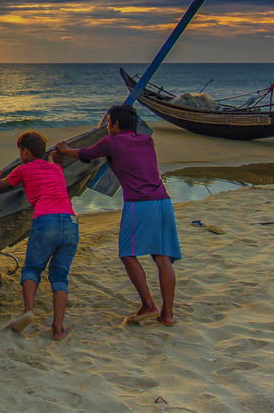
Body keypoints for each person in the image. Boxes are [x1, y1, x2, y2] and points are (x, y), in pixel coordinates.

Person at [53, 104, 180, 326]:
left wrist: (64, 150)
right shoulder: (146, 140)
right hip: (163, 201)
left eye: (109, 123)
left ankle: (149, 304)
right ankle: (167, 315)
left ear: (116, 125)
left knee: (127, 254)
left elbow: (86, 154)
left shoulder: (112, 142)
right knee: (162, 257)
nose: (108, 127)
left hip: (139, 204)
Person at [0, 131, 78, 339]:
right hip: (70, 222)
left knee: (32, 269)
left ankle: (28, 311)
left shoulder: (23, 169)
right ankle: (58, 327)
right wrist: (51, 157)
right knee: (60, 276)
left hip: (45, 221)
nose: (19, 155)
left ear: (25, 151)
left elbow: (2, 185)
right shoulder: (55, 168)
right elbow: (49, 161)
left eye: (20, 151)